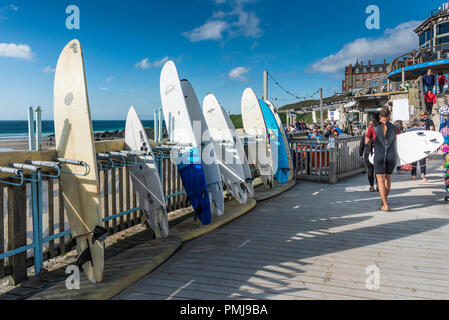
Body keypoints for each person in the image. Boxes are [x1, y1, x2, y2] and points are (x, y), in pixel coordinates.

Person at [365, 108, 401, 212]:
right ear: (389, 116)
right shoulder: (395, 128)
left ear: (380, 116)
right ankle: (384, 200)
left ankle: (385, 204)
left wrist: (374, 139)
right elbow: (400, 141)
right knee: (387, 180)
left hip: (379, 155)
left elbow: (367, 141)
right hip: (391, 156)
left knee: (380, 181)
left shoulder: (373, 127)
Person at [359, 119, 377, 192]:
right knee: (378, 171)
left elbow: (362, 144)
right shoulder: (378, 132)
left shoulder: (365, 133)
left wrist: (360, 153)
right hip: (376, 152)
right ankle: (378, 185)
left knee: (370, 170)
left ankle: (371, 186)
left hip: (367, 152)